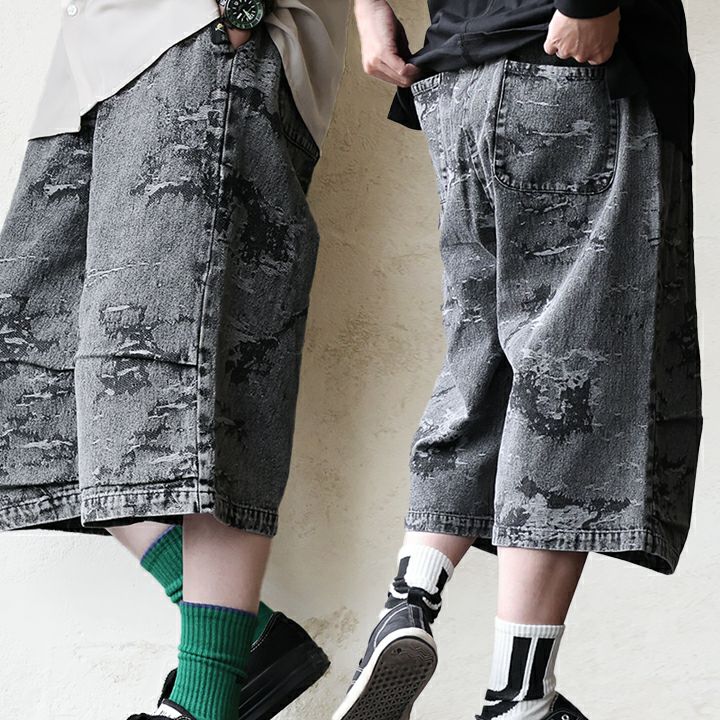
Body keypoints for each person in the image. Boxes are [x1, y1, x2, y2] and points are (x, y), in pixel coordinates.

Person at [334, 1, 701, 719]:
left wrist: (369, 9)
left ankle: (408, 600)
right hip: (570, 63)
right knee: (572, 379)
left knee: (482, 368)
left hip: (454, 81)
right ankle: (519, 696)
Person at [0, 1, 350, 719]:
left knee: (197, 384)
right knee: (30, 394)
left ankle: (205, 700)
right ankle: (243, 640)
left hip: (202, 35)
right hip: (96, 54)